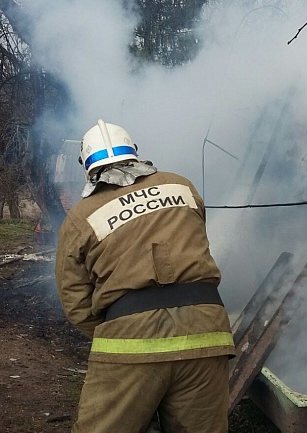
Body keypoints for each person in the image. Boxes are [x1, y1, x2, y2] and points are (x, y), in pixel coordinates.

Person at [55, 120, 235, 433]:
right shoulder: (182, 186)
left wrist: (119, 331)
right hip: (208, 332)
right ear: (135, 153)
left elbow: (75, 300)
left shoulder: (80, 217)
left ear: (87, 166)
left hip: (129, 341)